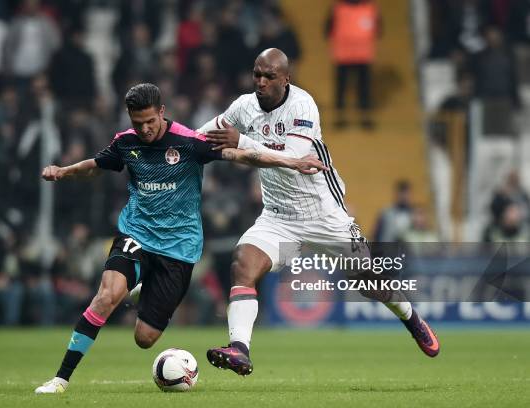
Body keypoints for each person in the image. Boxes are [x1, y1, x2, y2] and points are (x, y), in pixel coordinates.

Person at [34, 83, 325, 393]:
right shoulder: (125, 143)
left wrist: (291, 161)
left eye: (150, 121)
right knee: (106, 296)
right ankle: (60, 378)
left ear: (162, 112)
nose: (144, 129)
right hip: (137, 234)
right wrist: (64, 171)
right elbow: (95, 166)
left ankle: (141, 288)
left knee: (144, 339)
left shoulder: (190, 142)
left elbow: (243, 155)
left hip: (179, 249)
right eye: (137, 123)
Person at [199, 48, 440, 376]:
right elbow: (202, 135)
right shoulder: (243, 107)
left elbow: (294, 159)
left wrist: (239, 143)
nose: (261, 81)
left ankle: (411, 319)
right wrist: (170, 145)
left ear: (286, 78)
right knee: (243, 265)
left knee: (369, 281)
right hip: (278, 216)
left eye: (269, 76)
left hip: (324, 214)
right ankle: (240, 349)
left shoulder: (303, 105)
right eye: (257, 74)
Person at [325, 0, 381, 129]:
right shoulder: (339, 8)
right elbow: (378, 30)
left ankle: (360, 118)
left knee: (359, 89)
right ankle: (344, 118)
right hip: (348, 55)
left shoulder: (339, 8)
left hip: (357, 55)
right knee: (347, 89)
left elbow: (327, 30)